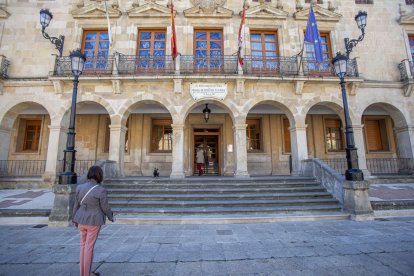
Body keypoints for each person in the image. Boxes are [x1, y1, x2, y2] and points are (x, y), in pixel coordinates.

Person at [72, 166, 114, 276]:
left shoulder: (79, 187)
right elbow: (105, 207)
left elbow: (75, 205)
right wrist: (111, 216)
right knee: (89, 248)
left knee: (83, 246)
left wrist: (74, 218)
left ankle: (83, 273)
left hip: (80, 220)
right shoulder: (101, 190)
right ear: (99, 175)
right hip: (94, 221)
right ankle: (87, 274)